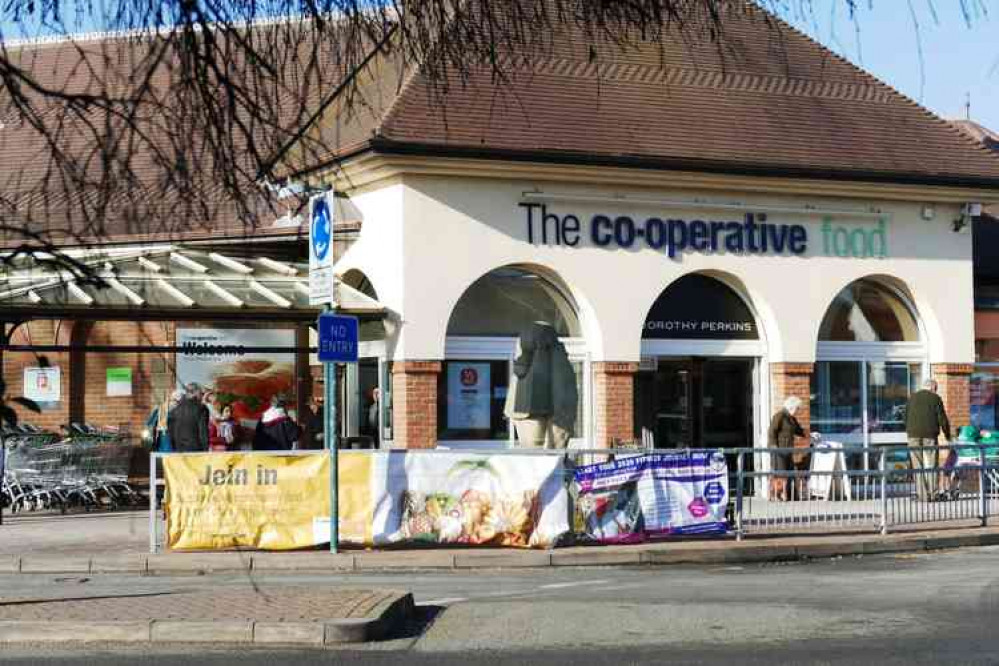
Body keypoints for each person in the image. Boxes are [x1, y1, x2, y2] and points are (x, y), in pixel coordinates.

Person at [905, 378, 952, 501]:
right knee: (932, 464)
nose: (936, 391)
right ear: (932, 387)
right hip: (930, 435)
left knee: (917, 466)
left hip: (913, 435)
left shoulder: (912, 397)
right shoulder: (935, 398)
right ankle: (933, 493)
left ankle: (922, 496)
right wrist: (947, 435)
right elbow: (942, 419)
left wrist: (909, 430)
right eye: (936, 389)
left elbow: (905, 416)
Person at [768, 396, 806, 502]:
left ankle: (787, 495)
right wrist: (773, 445)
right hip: (778, 450)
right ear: (792, 407)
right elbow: (772, 431)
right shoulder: (779, 416)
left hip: (788, 450)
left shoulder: (792, 419)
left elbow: (799, 430)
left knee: (788, 472)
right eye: (797, 409)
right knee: (780, 473)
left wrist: (809, 435)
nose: (798, 411)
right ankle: (776, 494)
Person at [167, 383, 209, 452]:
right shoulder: (201, 408)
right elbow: (203, 432)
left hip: (179, 450)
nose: (202, 396)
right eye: (201, 393)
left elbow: (171, 433)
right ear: (195, 392)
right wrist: (205, 449)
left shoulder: (174, 410)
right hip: (196, 450)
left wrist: (174, 448)